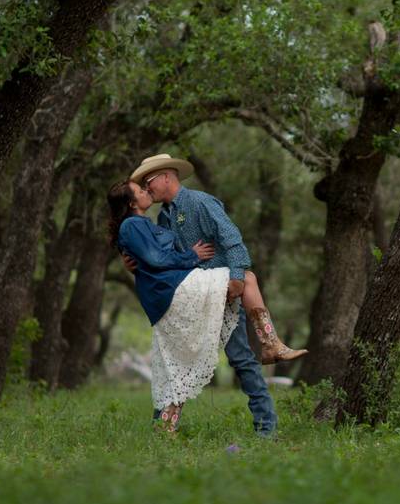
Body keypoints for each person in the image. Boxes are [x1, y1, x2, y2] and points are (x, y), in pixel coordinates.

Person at [128, 153, 306, 436]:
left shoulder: (200, 203)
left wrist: (236, 276)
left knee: (242, 359)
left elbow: (232, 238)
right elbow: (164, 260)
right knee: (176, 362)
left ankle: (266, 428)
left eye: (148, 182)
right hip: (191, 299)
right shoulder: (162, 219)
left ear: (166, 176)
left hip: (222, 295)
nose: (147, 189)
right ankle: (163, 429)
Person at [108, 180, 238, 433]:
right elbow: (156, 259)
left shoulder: (141, 224)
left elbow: (148, 256)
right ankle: (269, 340)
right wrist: (193, 256)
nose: (147, 192)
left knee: (173, 362)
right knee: (245, 278)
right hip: (171, 290)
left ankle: (164, 426)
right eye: (141, 191)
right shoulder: (132, 224)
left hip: (167, 291)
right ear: (132, 203)